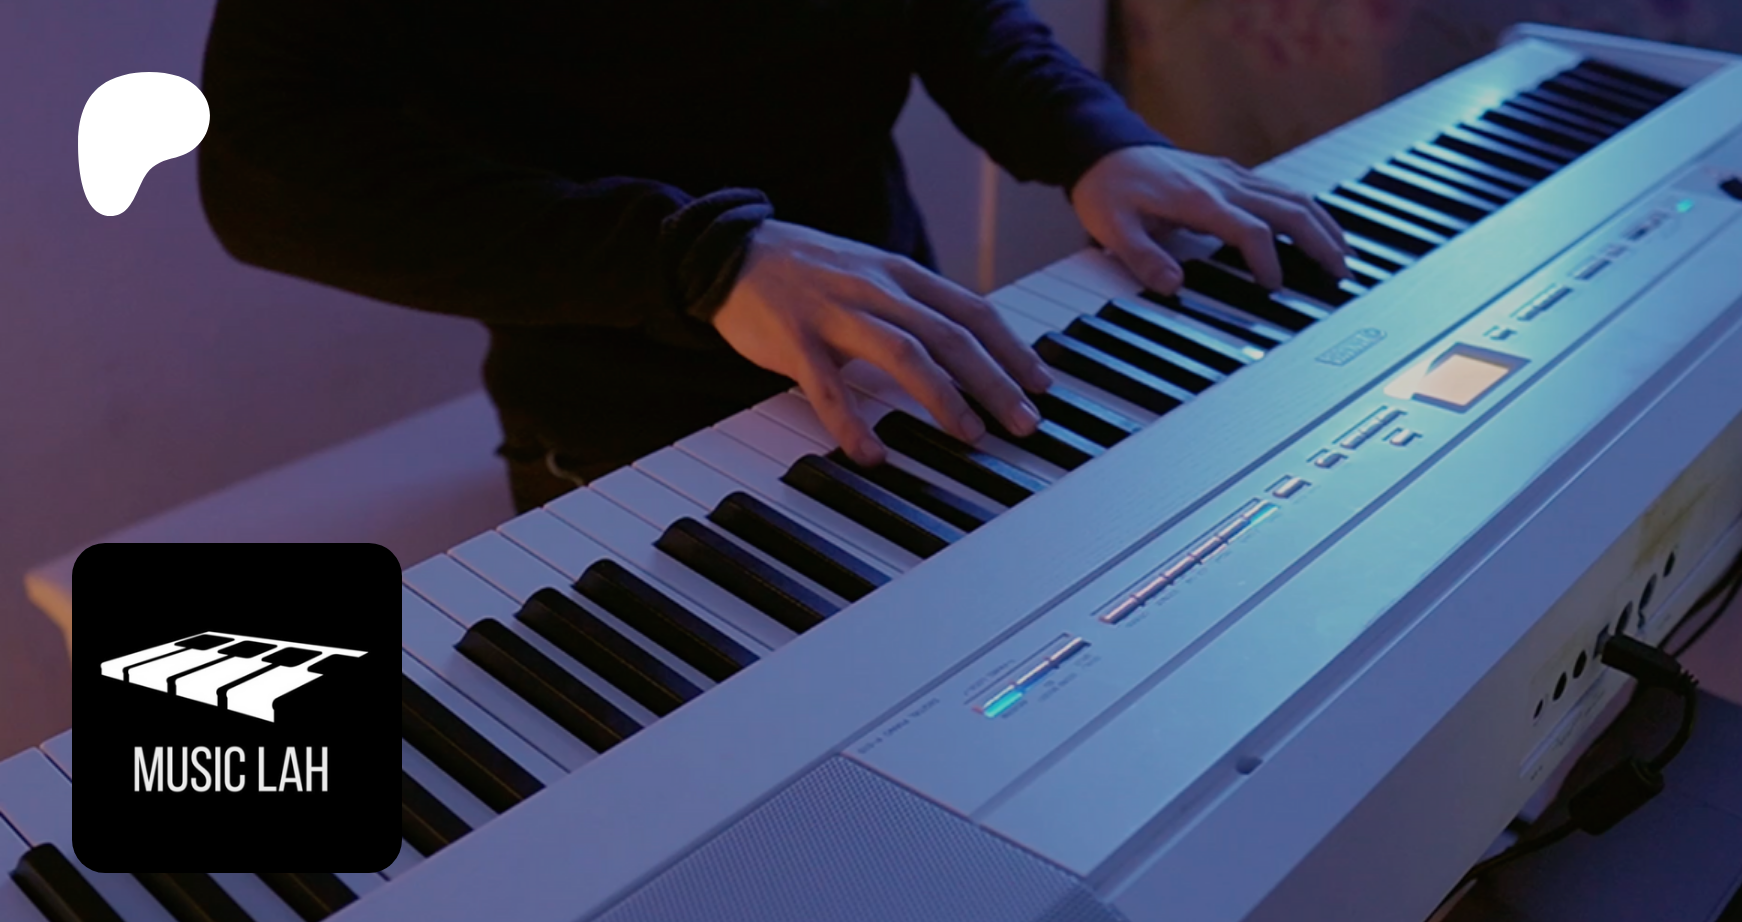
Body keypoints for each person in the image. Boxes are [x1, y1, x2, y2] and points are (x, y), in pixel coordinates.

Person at [197, 0, 1350, 514]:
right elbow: (262, 170)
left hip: (902, 363)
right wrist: (698, 257)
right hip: (621, 438)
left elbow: (949, 13)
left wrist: (1092, 142)